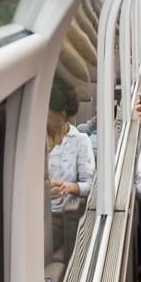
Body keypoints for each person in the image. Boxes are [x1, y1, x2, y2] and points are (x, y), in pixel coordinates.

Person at [47, 79, 95, 214]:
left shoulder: (80, 141)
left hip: (61, 214)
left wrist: (70, 187)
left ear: (62, 116)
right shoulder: (35, 138)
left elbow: (90, 185)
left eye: (48, 114)